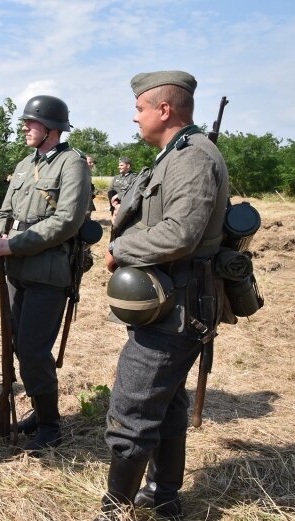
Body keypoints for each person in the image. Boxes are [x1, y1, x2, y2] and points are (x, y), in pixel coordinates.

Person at [97, 71, 228, 520]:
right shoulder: (172, 156)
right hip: (170, 301)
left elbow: (181, 234)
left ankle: (114, 510)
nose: (135, 118)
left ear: (164, 110)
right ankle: (164, 496)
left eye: (139, 109)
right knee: (167, 401)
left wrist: (120, 248)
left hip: (180, 306)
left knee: (133, 403)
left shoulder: (192, 157)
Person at [0, 95, 91, 455]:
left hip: (48, 271)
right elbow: (5, 209)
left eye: (31, 123)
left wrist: (15, 244)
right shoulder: (22, 165)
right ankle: (40, 409)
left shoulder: (72, 164)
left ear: (51, 129)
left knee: (33, 349)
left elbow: (67, 221)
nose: (25, 128)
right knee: (19, 346)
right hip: (15, 269)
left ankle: (50, 424)